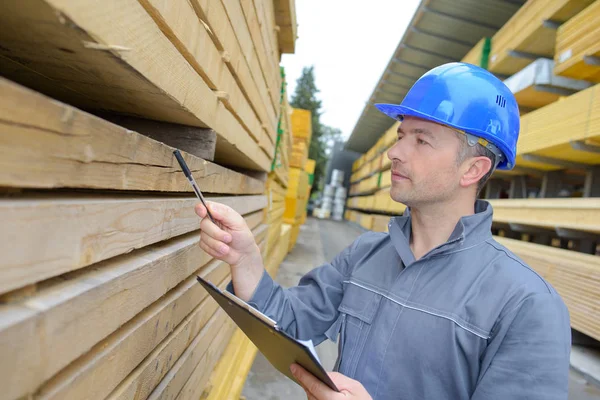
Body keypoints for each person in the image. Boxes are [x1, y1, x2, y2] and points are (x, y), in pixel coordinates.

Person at [195, 62, 571, 400]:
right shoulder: (365, 256)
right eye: (400, 136)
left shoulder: (526, 305)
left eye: (421, 140)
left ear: (472, 170)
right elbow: (291, 325)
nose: (397, 152)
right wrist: (245, 260)